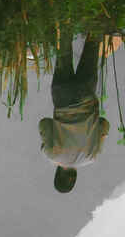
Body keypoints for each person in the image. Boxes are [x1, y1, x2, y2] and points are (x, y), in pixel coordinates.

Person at [39, 32, 117, 193]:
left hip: (86, 92)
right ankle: (66, 20)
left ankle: (96, 20)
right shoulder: (52, 154)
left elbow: (104, 124)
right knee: (64, 50)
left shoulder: (91, 157)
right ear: (56, 173)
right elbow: (44, 123)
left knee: (92, 45)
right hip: (61, 94)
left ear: (74, 178)